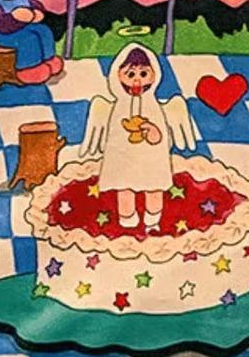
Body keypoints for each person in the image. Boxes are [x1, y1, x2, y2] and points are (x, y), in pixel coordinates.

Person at [79, 42, 198, 230]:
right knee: (124, 188)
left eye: (143, 74)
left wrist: (152, 130)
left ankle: (153, 220)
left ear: (154, 74)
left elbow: (160, 139)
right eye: (130, 74)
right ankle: (127, 220)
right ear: (117, 74)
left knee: (154, 188)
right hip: (123, 159)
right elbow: (114, 137)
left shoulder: (154, 107)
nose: (137, 80)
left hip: (151, 160)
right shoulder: (117, 107)